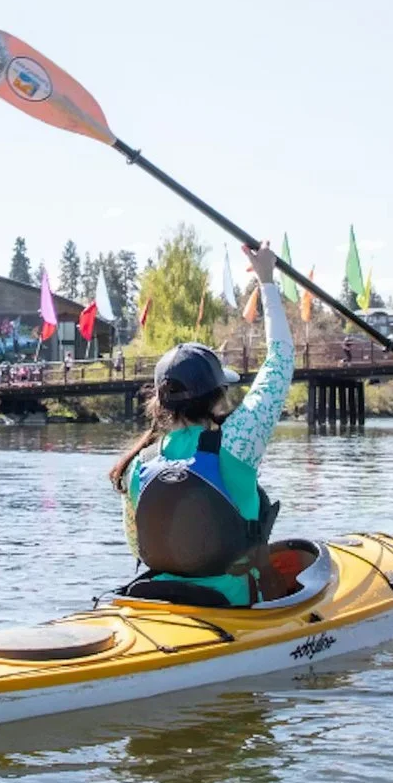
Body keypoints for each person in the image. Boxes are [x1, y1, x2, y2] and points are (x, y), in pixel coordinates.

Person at [107, 241, 294, 608]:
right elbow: (280, 360)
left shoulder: (138, 465)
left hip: (157, 600)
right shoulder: (237, 441)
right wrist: (267, 282)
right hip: (232, 605)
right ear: (217, 396)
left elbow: (137, 545)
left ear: (159, 401)